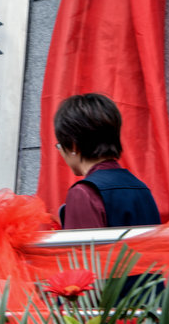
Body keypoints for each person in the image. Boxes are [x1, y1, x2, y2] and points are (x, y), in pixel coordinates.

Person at [55, 93, 160, 229]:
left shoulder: (83, 192)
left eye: (59, 145)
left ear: (74, 146)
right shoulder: (141, 188)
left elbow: (85, 244)